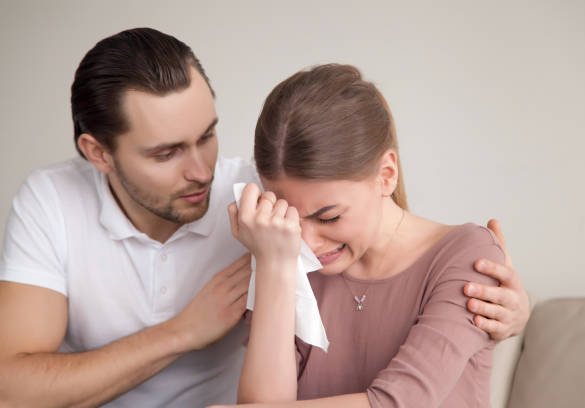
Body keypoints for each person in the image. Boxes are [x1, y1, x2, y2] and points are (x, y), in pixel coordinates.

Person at [0, 29, 528, 407]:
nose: (201, 170)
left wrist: (508, 313)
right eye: (166, 153)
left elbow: (380, 226)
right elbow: (11, 389)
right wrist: (191, 326)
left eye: (207, 135)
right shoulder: (271, 224)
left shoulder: (267, 194)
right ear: (98, 153)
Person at [225, 64, 520, 408]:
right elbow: (263, 402)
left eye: (329, 217)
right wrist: (274, 265)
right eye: (288, 215)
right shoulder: (282, 253)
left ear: (386, 175)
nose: (306, 242)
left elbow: (400, 402)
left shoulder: (466, 254)